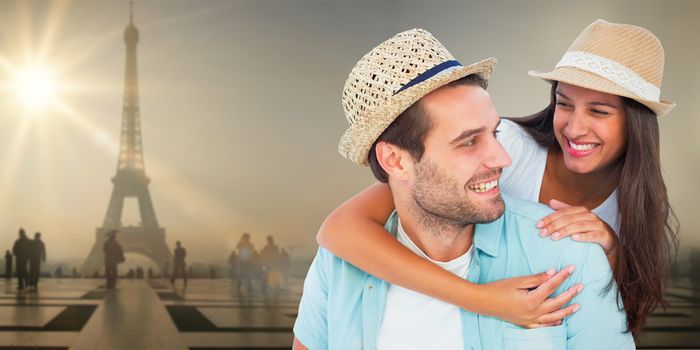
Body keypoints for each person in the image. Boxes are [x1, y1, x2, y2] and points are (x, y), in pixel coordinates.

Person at [315, 19, 679, 337]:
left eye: (599, 111)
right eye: (564, 103)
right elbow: (340, 229)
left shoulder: (638, 201)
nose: (574, 127)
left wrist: (610, 250)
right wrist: (480, 299)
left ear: (636, 123)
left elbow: (609, 319)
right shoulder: (509, 146)